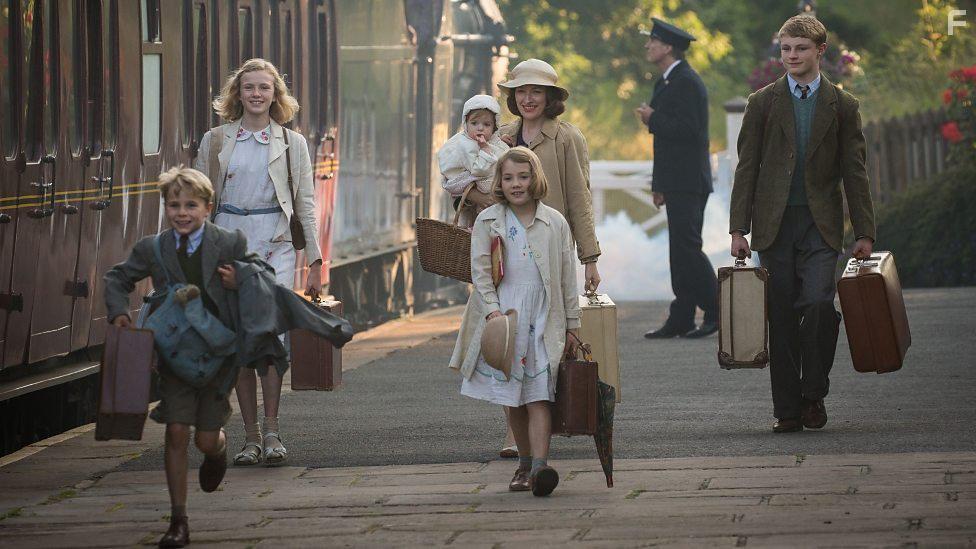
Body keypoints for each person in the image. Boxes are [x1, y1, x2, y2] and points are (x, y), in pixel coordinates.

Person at [729, 15, 876, 433]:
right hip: (773, 225)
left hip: (821, 224)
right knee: (780, 313)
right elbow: (746, 169)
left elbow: (855, 171)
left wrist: (864, 232)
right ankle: (787, 410)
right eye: (786, 49)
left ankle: (814, 393)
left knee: (816, 305)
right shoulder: (762, 102)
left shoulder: (843, 105)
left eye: (801, 48)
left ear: (820, 51)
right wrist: (738, 229)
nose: (792, 56)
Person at [103, 167, 250, 547]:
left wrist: (240, 280)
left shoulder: (229, 241)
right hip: (174, 354)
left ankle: (217, 450)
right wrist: (119, 312)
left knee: (203, 439)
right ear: (165, 208)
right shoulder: (154, 248)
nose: (182, 213)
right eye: (174, 205)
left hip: (218, 354)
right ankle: (178, 521)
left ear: (207, 207)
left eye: (190, 205)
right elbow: (117, 278)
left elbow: (259, 278)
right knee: (176, 431)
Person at [195, 58, 322, 466]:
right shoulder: (215, 141)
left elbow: (305, 203)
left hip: (276, 245)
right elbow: (199, 203)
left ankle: (272, 431)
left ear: (275, 95)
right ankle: (248, 437)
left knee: (268, 339)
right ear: (237, 94)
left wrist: (315, 261)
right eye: (249, 87)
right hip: (229, 243)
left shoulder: (292, 143)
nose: (256, 94)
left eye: (264, 88)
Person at [449, 147, 581, 497]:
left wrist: (573, 324)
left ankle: (540, 467)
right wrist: (492, 310)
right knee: (513, 398)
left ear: (534, 178)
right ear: (500, 182)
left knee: (540, 396)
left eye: (523, 177)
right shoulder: (488, 219)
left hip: (544, 317)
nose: (516, 184)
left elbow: (568, 276)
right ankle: (523, 463)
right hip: (506, 318)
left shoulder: (555, 222)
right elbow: (480, 272)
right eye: (508, 178)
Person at [493, 58, 601, 457]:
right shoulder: (500, 136)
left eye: (535, 91)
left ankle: (542, 422)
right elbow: (476, 187)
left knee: (545, 342)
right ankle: (513, 433)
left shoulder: (567, 138)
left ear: (551, 97)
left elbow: (579, 198)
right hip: (505, 256)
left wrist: (590, 257)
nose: (527, 98)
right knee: (507, 343)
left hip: (551, 255)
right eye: (520, 91)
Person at [636, 18, 719, 340]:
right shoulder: (668, 81)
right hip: (676, 180)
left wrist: (652, 118)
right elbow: (666, 144)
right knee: (679, 250)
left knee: (688, 249)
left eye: (652, 41)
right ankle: (682, 316)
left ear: (668, 46)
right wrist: (660, 184)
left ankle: (716, 311)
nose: (648, 46)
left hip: (689, 180)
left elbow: (690, 132)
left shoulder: (686, 81)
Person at [438, 94, 509, 227]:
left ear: (495, 127)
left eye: (486, 124)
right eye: (474, 123)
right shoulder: (463, 145)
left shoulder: (496, 142)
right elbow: (478, 170)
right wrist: (485, 151)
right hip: (473, 205)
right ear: (466, 123)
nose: (480, 128)